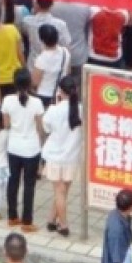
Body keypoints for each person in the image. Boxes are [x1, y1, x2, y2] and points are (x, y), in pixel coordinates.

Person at [3, 68, 45, 233]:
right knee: (29, 185)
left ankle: (12, 216)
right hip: (31, 149)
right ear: (29, 83)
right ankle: (27, 221)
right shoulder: (37, 103)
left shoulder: (7, 101)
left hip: (13, 147)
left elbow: (6, 124)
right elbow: (40, 128)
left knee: (13, 182)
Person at [41, 76, 82, 237]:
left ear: (60, 91)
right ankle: (52, 220)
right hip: (72, 156)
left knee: (59, 192)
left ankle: (63, 224)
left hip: (55, 156)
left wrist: (56, 104)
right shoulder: (81, 109)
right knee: (63, 191)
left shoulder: (53, 110)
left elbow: (46, 128)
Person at [30, 24, 71, 107]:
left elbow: (34, 82)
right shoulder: (65, 52)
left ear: (42, 39)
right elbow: (68, 72)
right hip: (60, 93)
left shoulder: (41, 59)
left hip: (44, 95)